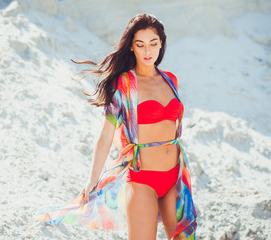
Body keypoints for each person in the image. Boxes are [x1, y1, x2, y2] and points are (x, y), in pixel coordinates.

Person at [35, 13, 197, 240]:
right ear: (132, 47)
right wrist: (92, 178)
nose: (148, 51)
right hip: (143, 181)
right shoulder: (123, 85)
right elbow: (106, 135)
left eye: (153, 43)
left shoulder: (171, 79)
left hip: (175, 177)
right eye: (140, 45)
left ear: (162, 43)